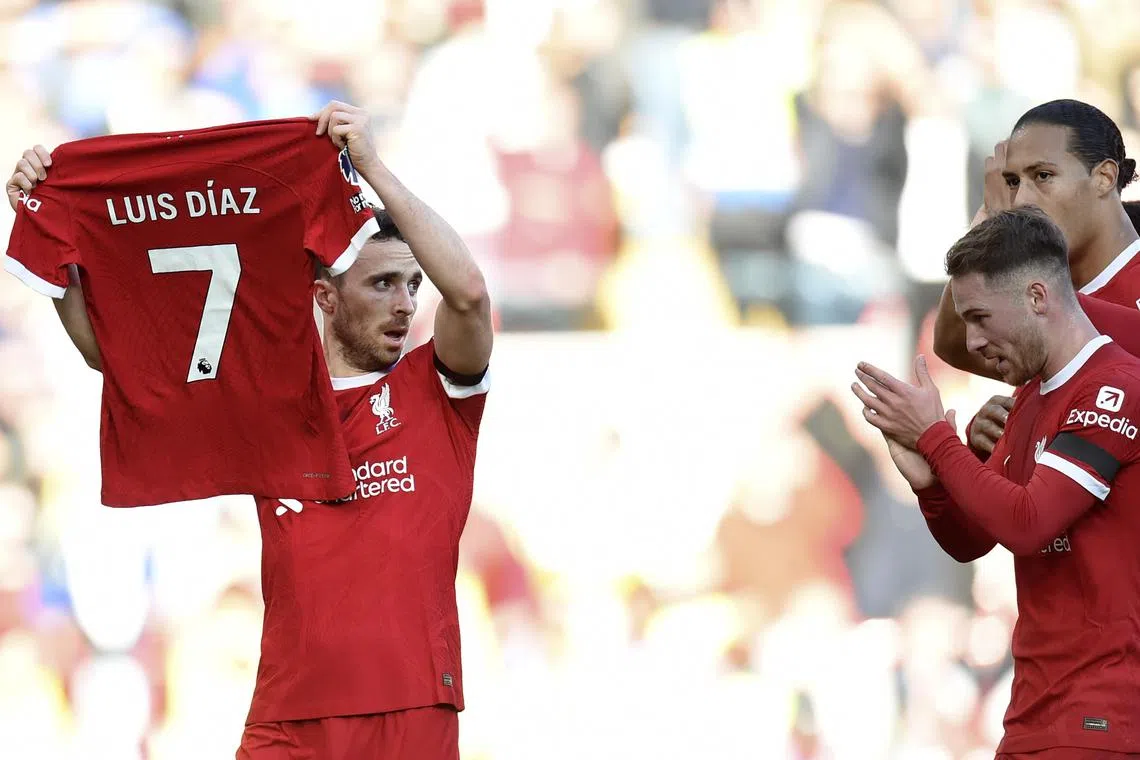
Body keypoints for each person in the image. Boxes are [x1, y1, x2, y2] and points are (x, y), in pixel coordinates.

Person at [7, 101, 493, 760]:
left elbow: (466, 295)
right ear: (325, 297)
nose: (406, 302)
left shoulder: (437, 391)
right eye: (382, 283)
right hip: (286, 715)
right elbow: (115, 359)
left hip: (408, 706)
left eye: (412, 283)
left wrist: (373, 169)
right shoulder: (270, 387)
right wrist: (50, 232)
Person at [853, 207, 1140, 759]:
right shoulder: (1028, 398)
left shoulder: (1115, 389)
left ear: (1037, 297)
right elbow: (972, 539)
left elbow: (1028, 524)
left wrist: (938, 437)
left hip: (1106, 719)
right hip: (1034, 715)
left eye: (982, 317)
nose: (974, 342)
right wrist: (930, 484)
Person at [933, 100, 1140, 456]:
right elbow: (953, 341)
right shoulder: (1037, 289)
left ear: (1104, 177)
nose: (1023, 199)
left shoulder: (1050, 298)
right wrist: (1012, 431)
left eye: (1042, 176)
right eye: (1012, 182)